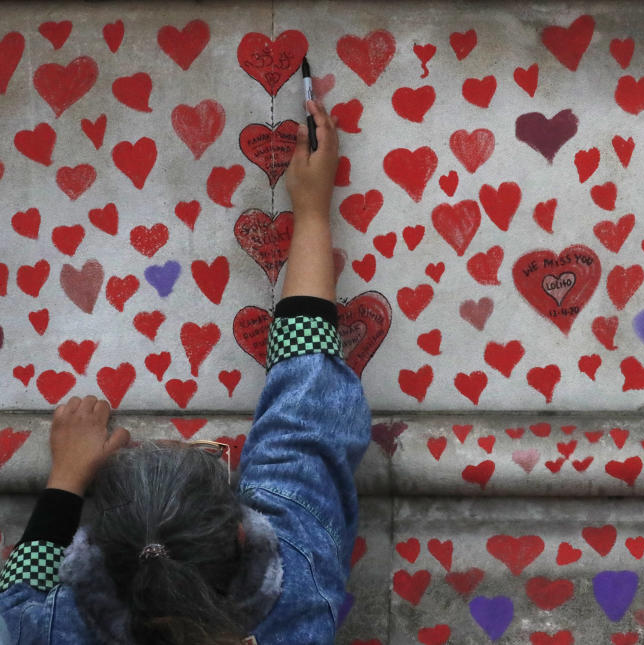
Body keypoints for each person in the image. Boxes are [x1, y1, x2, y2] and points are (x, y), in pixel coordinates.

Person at [0, 98, 371, 644]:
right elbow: (307, 411)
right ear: (244, 537)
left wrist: (62, 486)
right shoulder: (299, 574)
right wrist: (313, 211)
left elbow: (15, 609)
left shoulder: (54, 630)